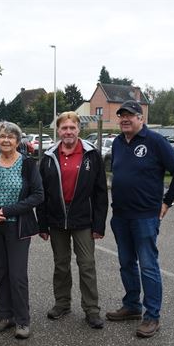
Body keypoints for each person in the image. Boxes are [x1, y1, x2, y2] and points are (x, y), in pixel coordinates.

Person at [106, 100, 174, 338]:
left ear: (141, 118)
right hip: (121, 216)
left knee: (148, 266)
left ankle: (152, 316)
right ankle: (132, 305)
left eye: (130, 115)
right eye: (121, 115)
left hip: (145, 217)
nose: (125, 119)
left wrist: (167, 202)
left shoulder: (155, 141)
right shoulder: (118, 143)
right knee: (126, 263)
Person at [36, 111, 108, 329]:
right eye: (64, 128)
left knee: (86, 265)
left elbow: (100, 192)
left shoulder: (91, 155)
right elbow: (41, 194)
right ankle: (62, 303)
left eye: (72, 127)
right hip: (57, 221)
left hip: (84, 221)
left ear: (79, 129)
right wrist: (42, 224)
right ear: (58, 130)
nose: (68, 132)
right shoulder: (48, 156)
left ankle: (92, 309)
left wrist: (99, 224)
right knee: (61, 265)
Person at [0, 121, 44, 339]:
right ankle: (5, 316)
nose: (6, 140)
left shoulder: (27, 164)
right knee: (2, 273)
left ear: (17, 141)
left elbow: (38, 195)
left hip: (18, 228)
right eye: (3, 136)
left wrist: (8, 210)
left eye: (11, 137)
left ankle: (22, 320)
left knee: (17, 274)